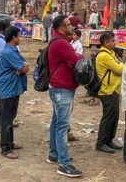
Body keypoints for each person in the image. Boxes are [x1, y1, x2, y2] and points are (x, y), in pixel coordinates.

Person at [47, 15, 84, 178]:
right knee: (62, 126)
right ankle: (64, 163)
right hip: (62, 87)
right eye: (69, 25)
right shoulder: (61, 43)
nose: (72, 27)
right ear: (62, 27)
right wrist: (80, 56)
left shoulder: (57, 40)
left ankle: (54, 154)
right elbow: (76, 59)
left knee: (56, 122)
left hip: (57, 86)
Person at [0, 26, 30, 159]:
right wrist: (21, 69)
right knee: (7, 119)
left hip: (13, 87)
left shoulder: (12, 50)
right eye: (18, 36)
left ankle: (10, 143)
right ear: (13, 38)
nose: (20, 38)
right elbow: (24, 67)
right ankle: (5, 148)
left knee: (10, 117)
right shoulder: (9, 52)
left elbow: (24, 65)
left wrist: (21, 68)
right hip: (9, 88)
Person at [95, 31, 125, 153]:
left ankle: (109, 140)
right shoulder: (104, 55)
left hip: (114, 88)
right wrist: (120, 66)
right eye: (112, 41)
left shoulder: (111, 53)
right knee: (108, 117)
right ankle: (101, 142)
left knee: (114, 116)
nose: (114, 43)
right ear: (106, 42)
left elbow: (119, 66)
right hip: (107, 90)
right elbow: (120, 68)